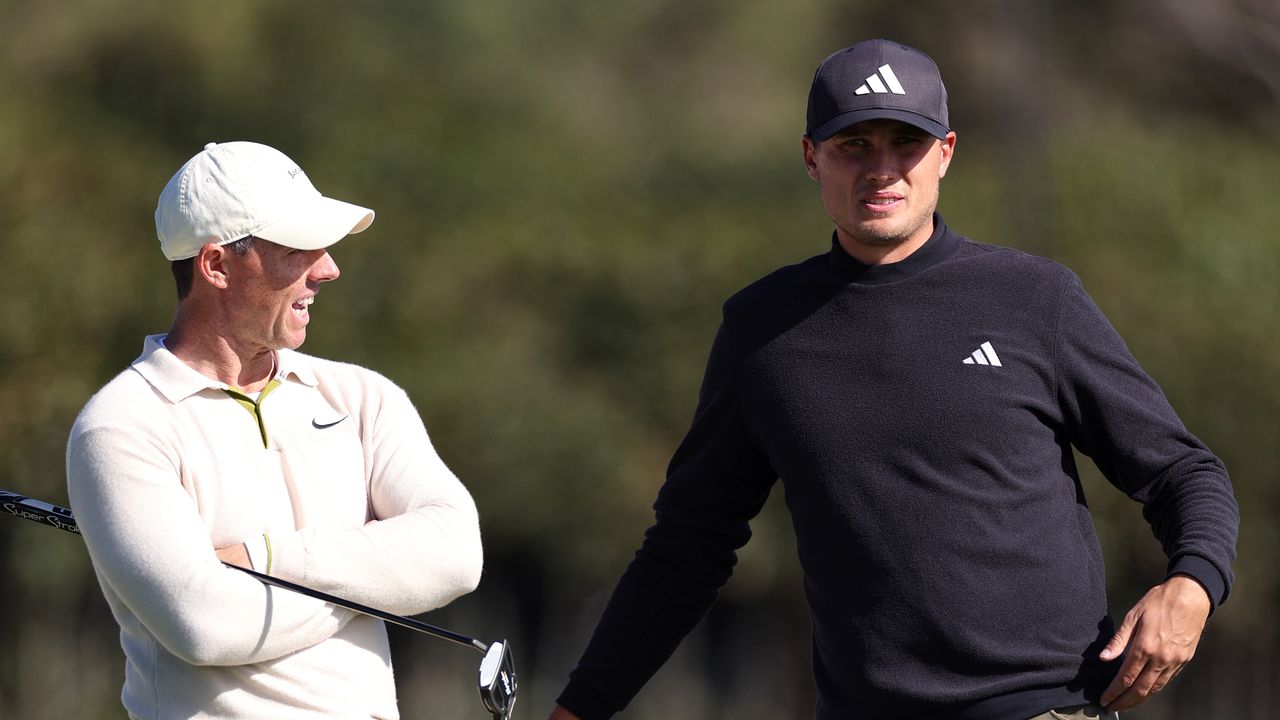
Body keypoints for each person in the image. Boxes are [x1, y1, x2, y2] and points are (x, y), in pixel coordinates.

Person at [547, 39, 1238, 720]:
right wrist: (580, 709)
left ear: (945, 154)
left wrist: (1193, 585)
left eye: (906, 143)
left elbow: (1182, 471)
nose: (883, 169)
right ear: (811, 157)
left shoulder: (1034, 300)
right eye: (855, 145)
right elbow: (686, 550)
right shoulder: (762, 330)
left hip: (1045, 707)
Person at [66, 141, 484, 719]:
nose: (329, 268)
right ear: (215, 266)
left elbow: (456, 554)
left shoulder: (363, 398)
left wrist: (261, 559)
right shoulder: (120, 427)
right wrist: (379, 582)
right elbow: (205, 624)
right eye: (297, 249)